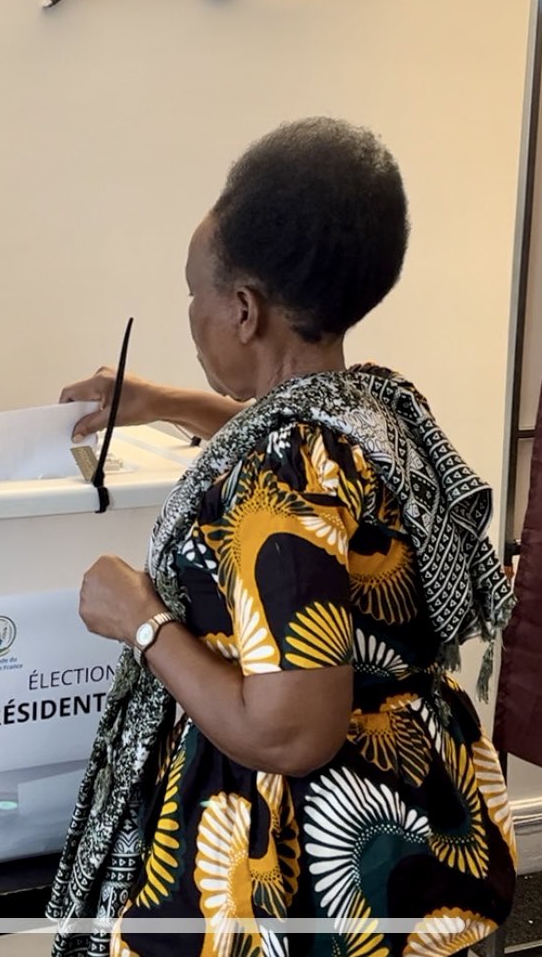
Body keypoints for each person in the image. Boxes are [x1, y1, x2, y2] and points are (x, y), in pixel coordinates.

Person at [49, 118, 516, 957]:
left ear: (243, 310)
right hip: (412, 809)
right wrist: (166, 402)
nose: (191, 313)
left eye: (194, 293)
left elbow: (290, 732)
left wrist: (140, 620)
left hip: (294, 871)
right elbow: (295, 439)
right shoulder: (375, 406)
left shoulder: (283, 474)